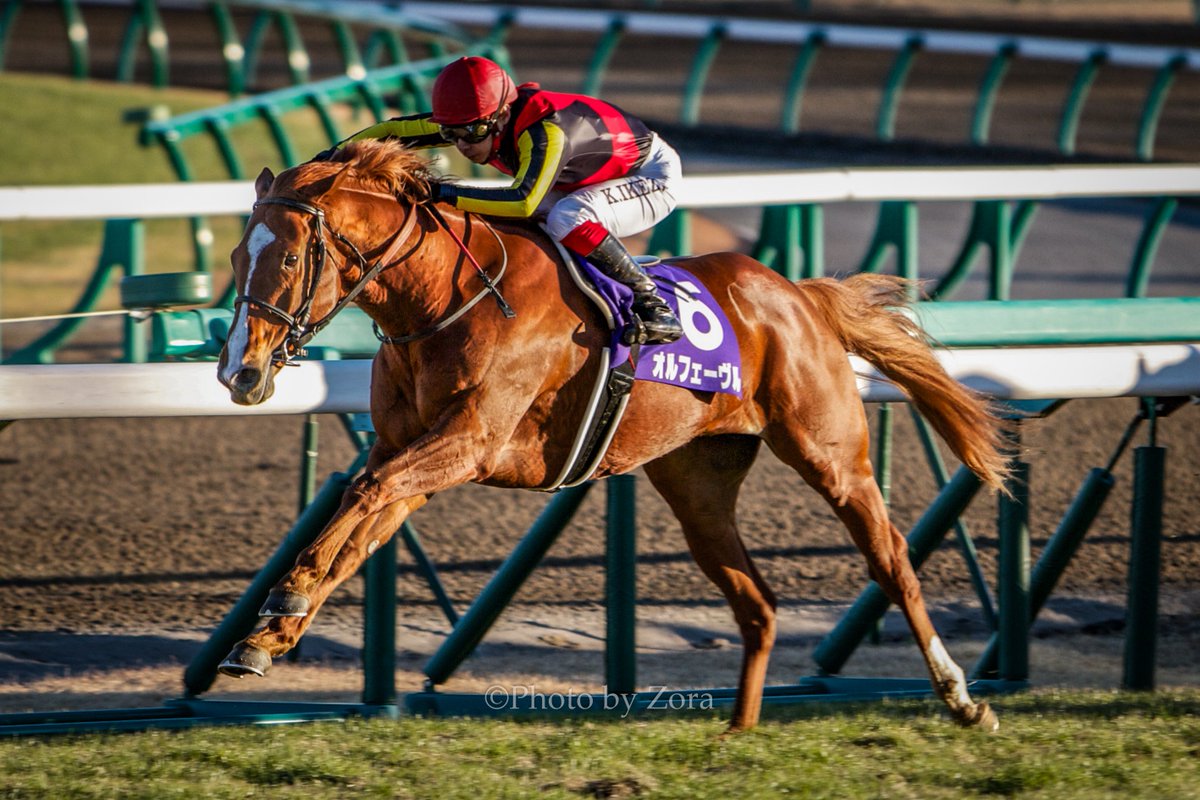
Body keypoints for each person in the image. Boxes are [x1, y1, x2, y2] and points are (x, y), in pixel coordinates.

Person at [320, 55, 683, 345]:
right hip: (586, 177)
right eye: (450, 132)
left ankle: (651, 303)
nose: (462, 144)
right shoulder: (476, 116)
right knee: (526, 219)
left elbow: (523, 201)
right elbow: (393, 132)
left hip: (648, 175)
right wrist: (327, 160)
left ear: (503, 114)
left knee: (566, 217)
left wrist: (444, 193)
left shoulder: (546, 133)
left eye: (473, 132)